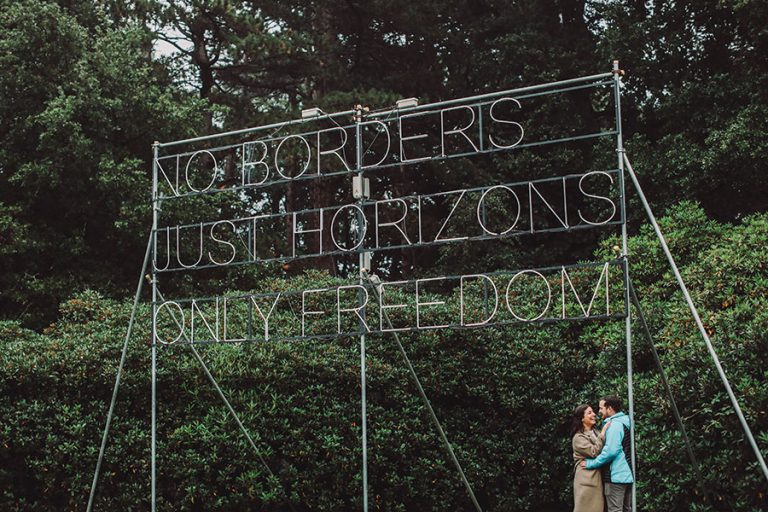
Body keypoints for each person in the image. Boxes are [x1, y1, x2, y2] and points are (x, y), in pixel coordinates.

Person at [580, 395, 634, 512]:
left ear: (609, 409)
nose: (599, 411)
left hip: (615, 476)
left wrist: (591, 464)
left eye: (601, 408)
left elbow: (610, 451)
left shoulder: (614, 425)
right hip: (626, 475)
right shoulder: (626, 422)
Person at [571, 404, 610, 512]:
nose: (594, 414)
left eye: (593, 412)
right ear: (582, 418)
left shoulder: (595, 432)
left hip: (597, 479)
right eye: (589, 413)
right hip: (586, 480)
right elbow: (594, 452)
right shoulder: (578, 438)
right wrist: (602, 434)